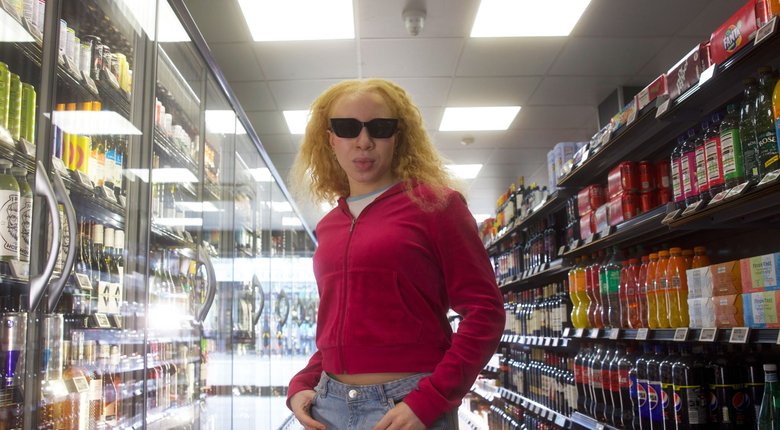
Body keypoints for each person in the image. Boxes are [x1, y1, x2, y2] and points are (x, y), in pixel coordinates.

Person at [287, 78, 505, 430]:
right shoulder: (329, 226)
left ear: (398, 137)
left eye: (380, 127)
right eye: (347, 128)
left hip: (408, 407)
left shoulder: (437, 206)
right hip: (329, 407)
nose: (363, 141)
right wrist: (303, 382)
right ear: (330, 139)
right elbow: (341, 327)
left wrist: (431, 399)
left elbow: (485, 313)